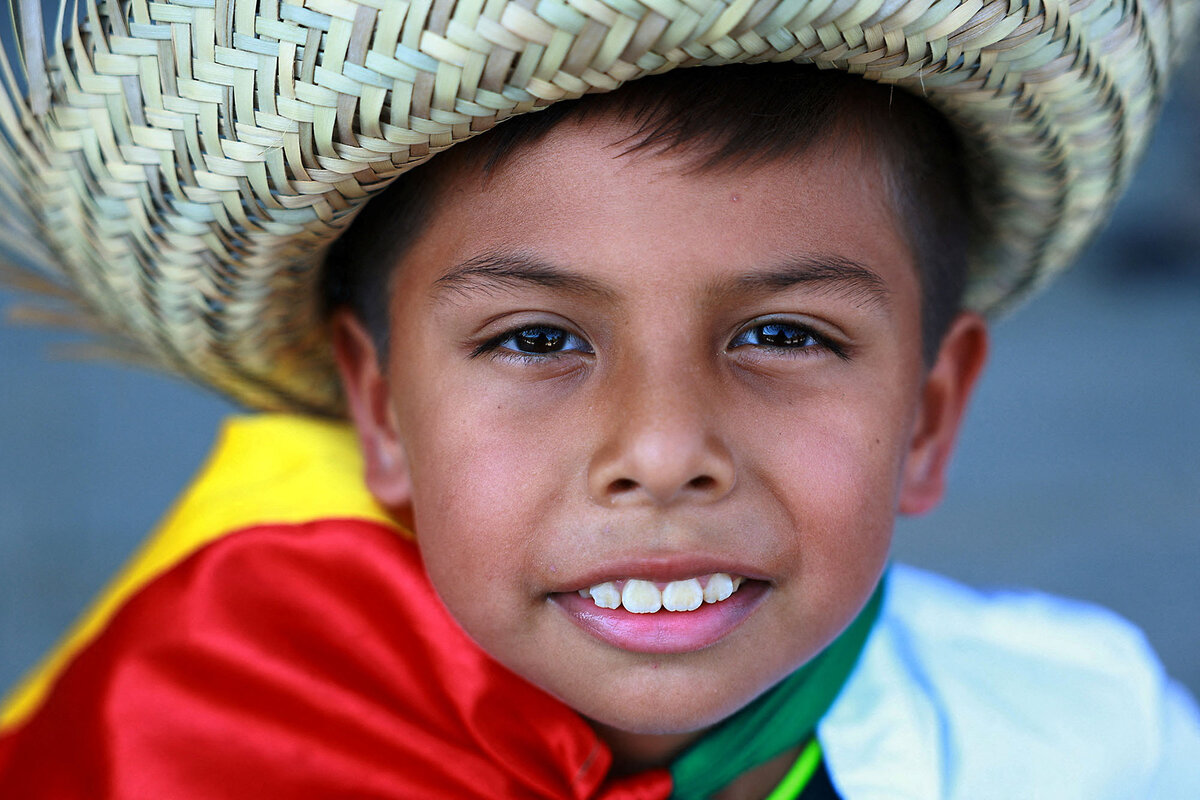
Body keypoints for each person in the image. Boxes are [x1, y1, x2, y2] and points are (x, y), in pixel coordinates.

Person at [0, 0, 1197, 796]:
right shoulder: (180, 732)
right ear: (381, 410)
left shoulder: (1086, 740)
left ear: (928, 416)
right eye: (536, 338)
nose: (664, 449)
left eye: (784, 335)